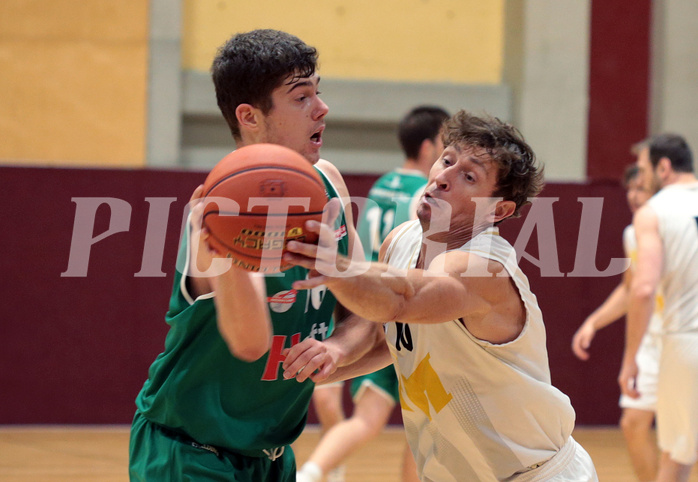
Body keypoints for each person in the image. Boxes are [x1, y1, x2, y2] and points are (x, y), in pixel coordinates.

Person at [282, 110, 598, 481]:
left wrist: (335, 267)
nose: (444, 178)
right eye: (446, 160)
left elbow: (404, 300)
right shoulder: (400, 240)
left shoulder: (483, 268)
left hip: (533, 475)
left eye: (468, 176)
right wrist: (333, 355)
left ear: (499, 209)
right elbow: (384, 330)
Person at [128, 29, 373, 481]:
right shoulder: (220, 214)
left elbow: (366, 309)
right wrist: (224, 256)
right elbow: (250, 343)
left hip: (273, 457)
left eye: (318, 93)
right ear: (249, 116)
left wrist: (337, 348)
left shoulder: (329, 184)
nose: (322, 108)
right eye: (301, 97)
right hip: (189, 455)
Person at [297, 106, 449, 482]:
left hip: (354, 292)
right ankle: (313, 471)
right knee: (425, 425)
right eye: (447, 149)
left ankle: (324, 470)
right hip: (398, 301)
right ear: (429, 148)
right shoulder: (428, 194)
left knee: (363, 405)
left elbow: (356, 241)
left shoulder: (382, 184)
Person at [572, 164, 661, 481]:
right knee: (633, 422)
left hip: (684, 337)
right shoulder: (632, 233)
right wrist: (594, 322)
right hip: (653, 341)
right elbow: (630, 289)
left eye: (643, 189)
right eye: (632, 189)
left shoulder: (679, 225)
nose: (635, 196)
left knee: (680, 437)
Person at [619, 134, 698, 482]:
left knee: (677, 455)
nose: (642, 176)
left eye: (645, 168)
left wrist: (630, 357)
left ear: (663, 168)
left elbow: (643, 288)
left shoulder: (654, 213)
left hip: (686, 340)